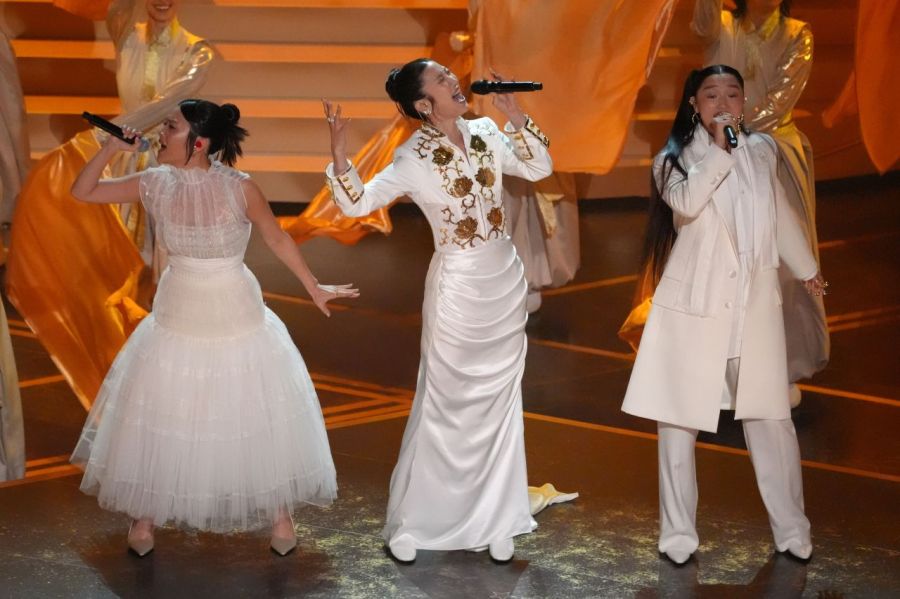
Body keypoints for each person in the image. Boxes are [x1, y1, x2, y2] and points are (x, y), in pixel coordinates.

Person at [69, 99, 357, 557]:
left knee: (251, 407)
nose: (161, 134)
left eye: (171, 127)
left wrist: (313, 285)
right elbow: (84, 192)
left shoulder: (240, 188)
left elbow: (277, 237)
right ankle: (146, 515)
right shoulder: (153, 183)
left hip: (234, 309)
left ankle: (279, 513)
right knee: (166, 406)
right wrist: (107, 148)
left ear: (198, 142)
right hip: (177, 310)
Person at [322, 58, 553, 563]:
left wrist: (516, 116)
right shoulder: (414, 156)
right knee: (446, 402)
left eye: (452, 76)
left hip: (503, 281)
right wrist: (341, 157)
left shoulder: (489, 131)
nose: (456, 82)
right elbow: (358, 204)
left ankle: (496, 516)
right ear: (424, 105)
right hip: (458, 286)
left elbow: (538, 168)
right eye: (444, 81)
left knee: (499, 402)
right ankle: (418, 522)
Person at [621, 65, 826, 565]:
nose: (723, 101)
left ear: (744, 102)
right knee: (678, 422)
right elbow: (688, 205)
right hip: (695, 306)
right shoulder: (671, 161)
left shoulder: (762, 150)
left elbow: (778, 213)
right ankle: (678, 535)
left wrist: (807, 269)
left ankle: (792, 528)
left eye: (732, 93)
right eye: (711, 94)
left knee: (771, 417)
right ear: (694, 103)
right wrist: (720, 150)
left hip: (753, 307)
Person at [6, 0, 215, 411]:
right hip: (121, 158)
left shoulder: (198, 51)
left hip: (165, 163)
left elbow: (174, 99)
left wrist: (120, 129)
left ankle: (170, 375)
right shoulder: (125, 30)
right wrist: (117, 138)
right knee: (114, 267)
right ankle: (122, 367)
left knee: (164, 267)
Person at [692, 0, 828, 398]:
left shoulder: (797, 33)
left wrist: (737, 133)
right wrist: (723, 140)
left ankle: (782, 368)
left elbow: (780, 101)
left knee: (782, 263)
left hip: (772, 154)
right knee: (720, 260)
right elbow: (700, 21)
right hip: (718, 154)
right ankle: (724, 371)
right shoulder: (719, 24)